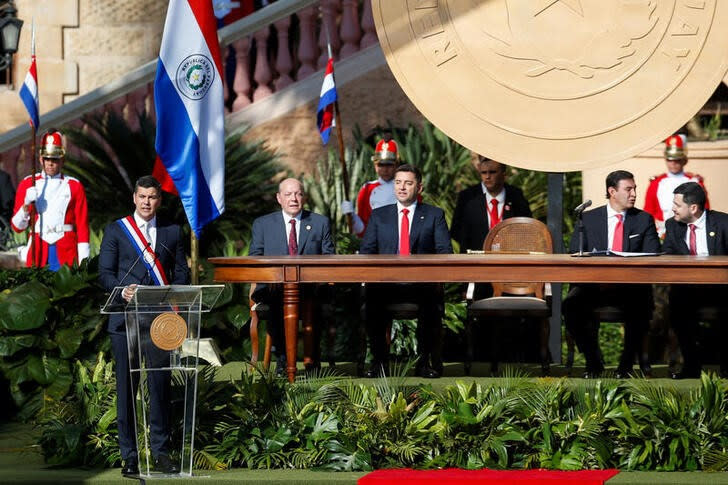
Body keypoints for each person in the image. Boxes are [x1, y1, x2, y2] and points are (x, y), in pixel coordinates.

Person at [98, 176, 190, 476]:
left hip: (160, 321)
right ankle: (129, 455)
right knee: (127, 388)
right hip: (125, 320)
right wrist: (121, 291)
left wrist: (173, 294)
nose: (147, 202)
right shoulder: (116, 230)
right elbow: (105, 274)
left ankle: (161, 453)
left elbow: (181, 273)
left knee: (160, 387)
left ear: (159, 200)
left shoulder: (172, 231)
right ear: (134, 198)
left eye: (152, 197)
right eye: (142, 196)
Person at [563, 170, 660, 378]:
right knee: (570, 305)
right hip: (594, 287)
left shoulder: (643, 220)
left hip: (630, 288)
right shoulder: (588, 218)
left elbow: (653, 255)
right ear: (612, 191)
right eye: (628, 189)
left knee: (641, 303)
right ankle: (593, 361)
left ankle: (626, 366)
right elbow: (574, 252)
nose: (634, 193)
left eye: (635, 189)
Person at [360, 164, 453, 378]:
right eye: (398, 182)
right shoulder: (379, 215)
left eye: (408, 183)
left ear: (419, 187)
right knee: (371, 298)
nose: (402, 187)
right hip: (386, 285)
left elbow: (444, 251)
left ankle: (424, 363)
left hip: (421, 285)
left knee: (432, 300)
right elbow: (367, 252)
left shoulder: (433, 215)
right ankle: (379, 363)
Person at [249, 178, 335, 373]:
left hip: (310, 289)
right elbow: (255, 259)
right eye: (288, 194)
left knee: (317, 301)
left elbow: (329, 259)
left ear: (303, 197)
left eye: (297, 194)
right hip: (274, 289)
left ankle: (312, 361)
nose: (293, 199)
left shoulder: (320, 223)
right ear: (279, 198)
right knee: (279, 298)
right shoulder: (263, 224)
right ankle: (282, 360)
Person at [663, 182, 728, 379]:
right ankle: (691, 367)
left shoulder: (723, 223)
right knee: (677, 308)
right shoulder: (672, 225)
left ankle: (725, 368)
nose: (672, 208)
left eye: (677, 204)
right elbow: (668, 254)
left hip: (721, 289)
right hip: (687, 289)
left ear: (693, 208)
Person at [10, 130, 89, 270]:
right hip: (38, 247)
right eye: (47, 159)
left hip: (65, 247)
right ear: (41, 159)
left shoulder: (74, 185)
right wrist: (26, 204)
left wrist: (84, 260)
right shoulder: (27, 184)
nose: (50, 163)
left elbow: (82, 225)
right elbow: (17, 227)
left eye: (55, 159)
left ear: (62, 160)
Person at [451, 156, 532, 255]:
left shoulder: (516, 197)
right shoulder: (471, 202)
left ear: (504, 175)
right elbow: (457, 231)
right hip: (477, 259)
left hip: (509, 258)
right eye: (484, 173)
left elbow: (527, 230)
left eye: (492, 172)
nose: (487, 177)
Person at [643, 134, 709, 238]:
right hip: (661, 233)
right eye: (670, 159)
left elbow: (704, 209)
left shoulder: (695, 181)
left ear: (684, 159)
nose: (673, 163)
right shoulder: (656, 183)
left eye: (677, 159)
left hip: (690, 231)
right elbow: (648, 211)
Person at [341, 138, 398, 236]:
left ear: (396, 165)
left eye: (389, 165)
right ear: (375, 166)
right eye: (381, 165)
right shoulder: (367, 189)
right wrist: (352, 215)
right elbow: (362, 229)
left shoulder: (405, 187)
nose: (385, 169)